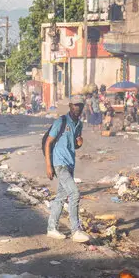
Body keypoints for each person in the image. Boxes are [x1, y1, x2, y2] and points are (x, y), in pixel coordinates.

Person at [45, 94, 91, 243]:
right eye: (75, 105)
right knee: (75, 193)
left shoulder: (79, 124)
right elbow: (48, 143)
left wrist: (80, 143)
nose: (77, 108)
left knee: (60, 198)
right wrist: (48, 165)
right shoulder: (61, 121)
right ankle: (75, 230)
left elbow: (75, 144)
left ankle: (51, 228)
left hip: (70, 164)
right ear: (70, 106)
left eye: (80, 106)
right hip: (60, 164)